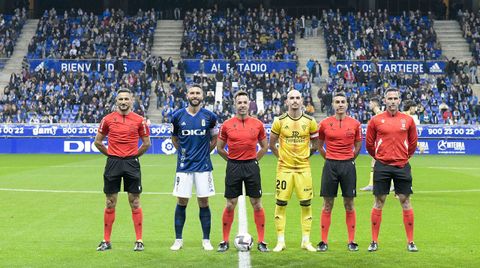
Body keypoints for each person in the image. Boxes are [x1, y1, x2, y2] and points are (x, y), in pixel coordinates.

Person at [94, 88, 151, 251]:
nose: (124, 102)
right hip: (113, 163)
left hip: (131, 163)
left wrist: (133, 156)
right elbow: (98, 142)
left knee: (135, 201)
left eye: (127, 99)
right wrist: (111, 154)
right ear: (116, 101)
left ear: (131, 101)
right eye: (121, 99)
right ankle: (106, 240)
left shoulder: (139, 120)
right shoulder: (108, 119)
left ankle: (139, 240)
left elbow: (146, 143)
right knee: (110, 202)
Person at [365, 88, 418, 252]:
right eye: (390, 98)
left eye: (395, 98)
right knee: (379, 201)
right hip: (382, 166)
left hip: (402, 166)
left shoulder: (407, 120)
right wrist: (381, 157)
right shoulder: (376, 120)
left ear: (399, 100)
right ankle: (374, 241)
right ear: (385, 100)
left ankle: (410, 242)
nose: (393, 101)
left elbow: (413, 143)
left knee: (405, 201)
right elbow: (369, 144)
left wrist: (403, 157)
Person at [216, 91, 269, 252]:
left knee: (257, 204)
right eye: (239, 102)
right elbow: (219, 148)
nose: (242, 105)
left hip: (251, 167)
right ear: (235, 104)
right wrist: (232, 160)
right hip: (233, 167)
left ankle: (261, 241)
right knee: (230, 204)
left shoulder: (257, 124)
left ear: (249, 104)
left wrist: (253, 160)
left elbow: (265, 146)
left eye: (245, 102)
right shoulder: (226, 124)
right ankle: (224, 241)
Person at [170, 84, 218, 251]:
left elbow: (214, 139)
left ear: (202, 95)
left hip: (204, 166)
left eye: (198, 93)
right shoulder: (177, 116)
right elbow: (175, 139)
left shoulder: (210, 116)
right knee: (182, 201)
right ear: (187, 95)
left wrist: (205, 152)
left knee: (204, 201)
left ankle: (206, 240)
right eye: (192, 92)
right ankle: (178, 239)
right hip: (184, 167)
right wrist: (183, 153)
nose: (195, 95)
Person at [269, 89, 319, 252]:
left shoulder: (310, 121)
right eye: (292, 98)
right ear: (287, 101)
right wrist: (282, 158)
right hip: (284, 169)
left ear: (302, 100)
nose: (295, 101)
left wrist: (304, 156)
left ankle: (306, 240)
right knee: (281, 204)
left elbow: (316, 145)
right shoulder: (279, 121)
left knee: (306, 204)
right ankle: (280, 241)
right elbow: (272, 144)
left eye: (298, 98)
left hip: (303, 169)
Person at [317, 92, 362, 252]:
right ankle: (323, 241)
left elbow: (358, 146)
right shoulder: (324, 123)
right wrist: (329, 157)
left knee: (349, 203)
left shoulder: (355, 124)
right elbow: (319, 144)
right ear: (333, 105)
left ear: (347, 104)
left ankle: (351, 241)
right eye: (337, 102)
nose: (340, 104)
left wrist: (349, 158)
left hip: (348, 166)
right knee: (327, 203)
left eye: (343, 101)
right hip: (330, 166)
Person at [361, 97, 382, 191]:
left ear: (374, 103)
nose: (369, 105)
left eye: (370, 103)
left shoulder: (379, 114)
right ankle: (372, 184)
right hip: (378, 142)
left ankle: (372, 184)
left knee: (379, 162)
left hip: (381, 143)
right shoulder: (377, 115)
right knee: (374, 162)